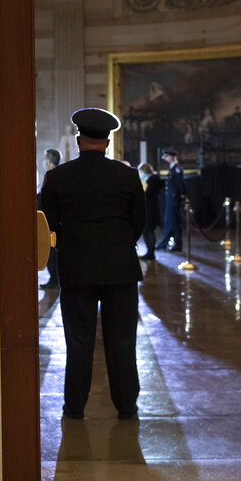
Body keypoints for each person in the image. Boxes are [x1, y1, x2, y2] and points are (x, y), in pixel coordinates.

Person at [39, 108, 145, 420]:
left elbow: (48, 227)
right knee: (122, 341)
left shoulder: (57, 177)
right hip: (120, 270)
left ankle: (74, 408)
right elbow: (139, 223)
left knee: (78, 342)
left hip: (77, 270)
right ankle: (126, 406)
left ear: (77, 139)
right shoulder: (128, 176)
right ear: (108, 141)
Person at [156, 147, 186, 252]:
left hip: (173, 200)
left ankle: (165, 243)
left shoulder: (176, 168)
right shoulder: (173, 168)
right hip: (171, 199)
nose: (166, 158)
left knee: (171, 222)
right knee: (174, 222)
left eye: (167, 156)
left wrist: (180, 197)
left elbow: (181, 185)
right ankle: (176, 244)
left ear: (173, 157)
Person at [39, 148, 61, 289]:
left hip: (51, 220)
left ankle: (54, 279)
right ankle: (54, 278)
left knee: (52, 252)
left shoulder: (52, 175)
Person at [138, 162, 164, 261]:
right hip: (151, 209)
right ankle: (150, 252)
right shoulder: (153, 179)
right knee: (148, 231)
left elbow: (148, 195)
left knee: (148, 231)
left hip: (150, 210)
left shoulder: (152, 180)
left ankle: (150, 253)